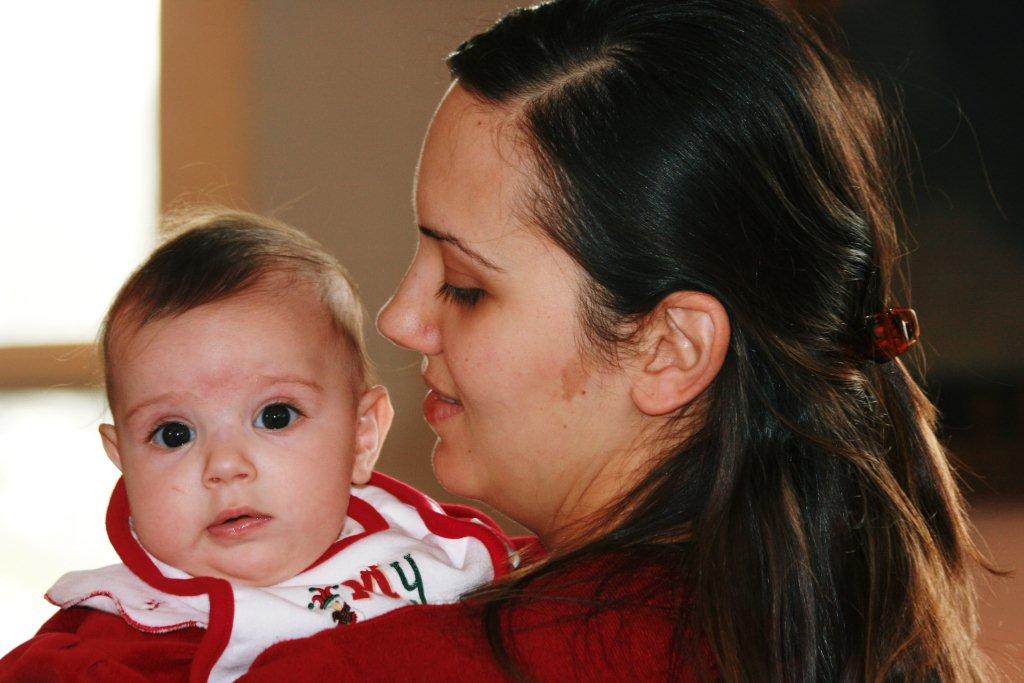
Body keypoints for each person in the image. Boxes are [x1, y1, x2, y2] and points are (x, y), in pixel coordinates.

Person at [240, 0, 993, 681]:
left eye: (467, 286)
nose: (400, 318)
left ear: (671, 349)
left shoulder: (376, 666)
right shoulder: (842, 624)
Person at [0, 210, 517, 682]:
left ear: (361, 436)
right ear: (122, 462)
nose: (225, 466)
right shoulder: (103, 645)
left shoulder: (441, 560)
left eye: (275, 416)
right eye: (173, 434)